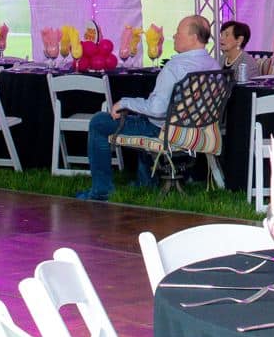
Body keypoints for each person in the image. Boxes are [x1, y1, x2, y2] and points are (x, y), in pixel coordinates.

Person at [77, 15, 220, 200]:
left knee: (99, 122)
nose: (174, 36)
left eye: (178, 32)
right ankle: (146, 183)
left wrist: (124, 102)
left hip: (165, 131)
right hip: (195, 129)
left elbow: (157, 109)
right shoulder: (214, 65)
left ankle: (101, 191)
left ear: (193, 38)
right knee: (143, 117)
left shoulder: (174, 67)